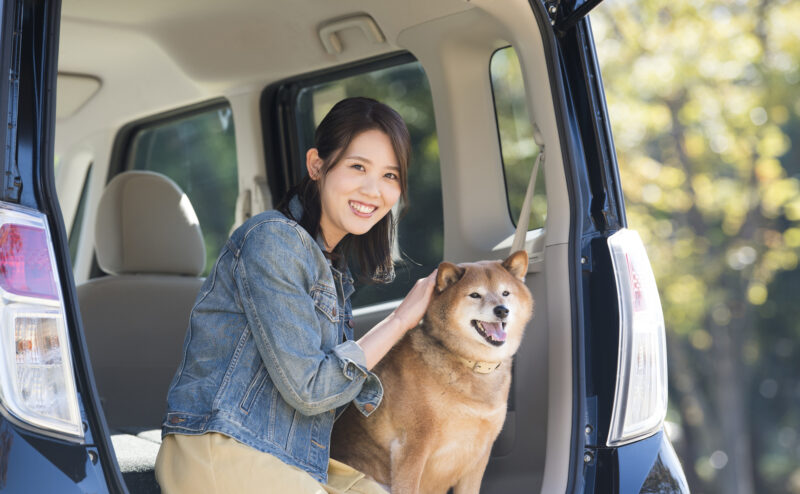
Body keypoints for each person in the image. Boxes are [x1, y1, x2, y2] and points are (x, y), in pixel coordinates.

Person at [155, 97, 436, 494]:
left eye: (390, 176)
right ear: (317, 165)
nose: (374, 190)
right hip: (223, 449)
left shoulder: (332, 271)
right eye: (358, 167)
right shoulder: (273, 241)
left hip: (287, 456)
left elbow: (325, 397)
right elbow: (311, 392)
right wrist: (401, 320)